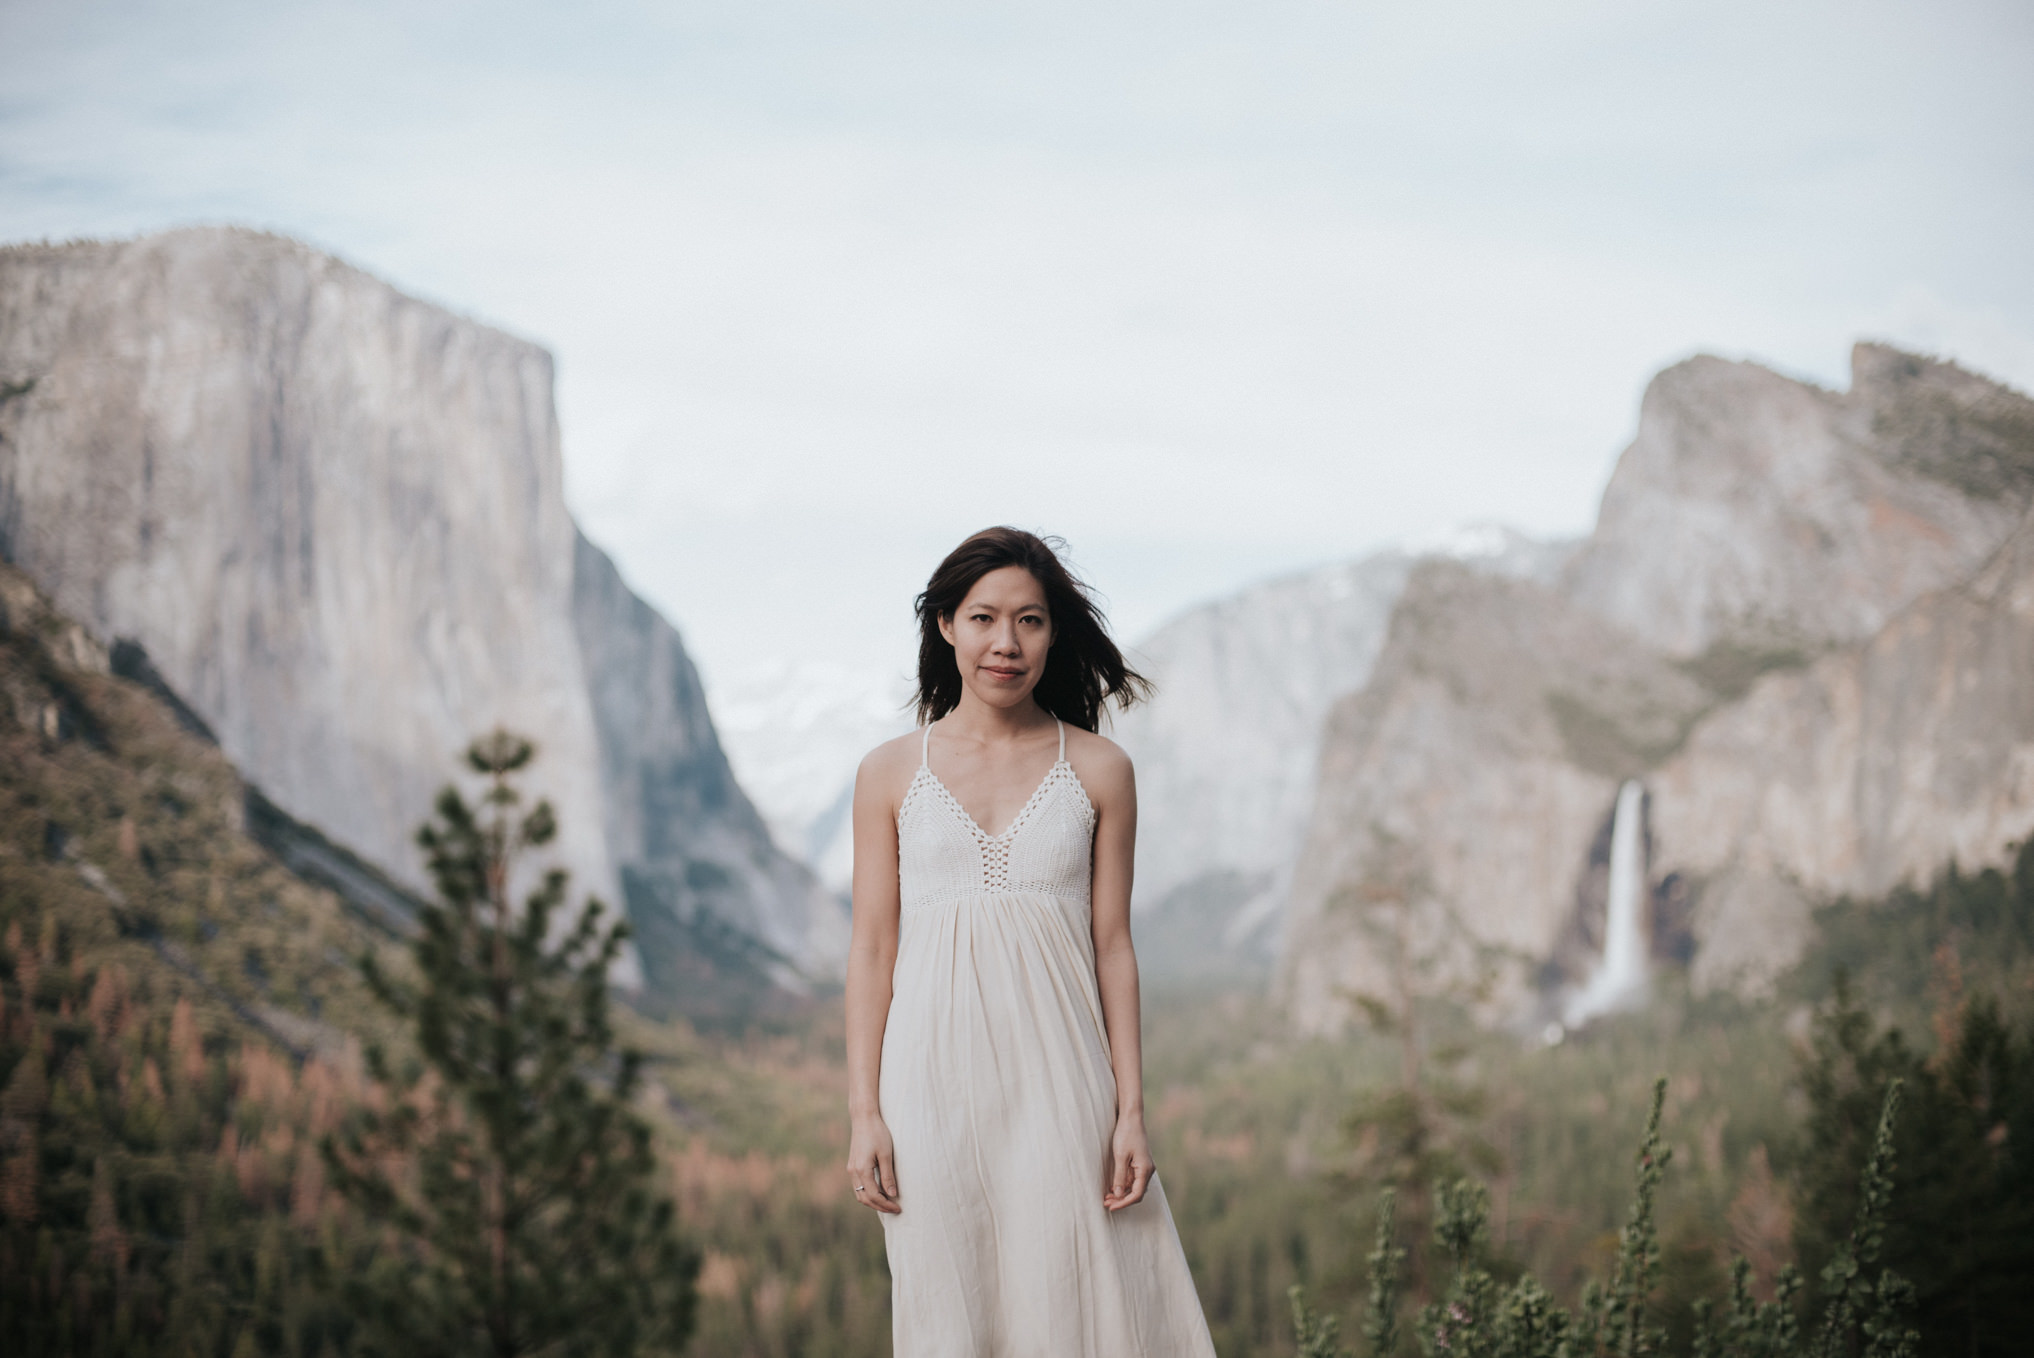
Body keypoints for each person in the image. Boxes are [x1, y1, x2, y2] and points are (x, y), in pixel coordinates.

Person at [844, 526, 1218, 1357]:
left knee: (1076, 1298)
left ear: (1055, 633)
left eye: (1030, 622)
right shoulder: (888, 771)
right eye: (982, 619)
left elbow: (1113, 945)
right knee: (950, 1307)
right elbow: (872, 949)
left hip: (1063, 1081)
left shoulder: (1099, 770)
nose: (1005, 644)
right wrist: (865, 1111)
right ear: (945, 626)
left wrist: (1130, 1111)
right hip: (927, 1084)